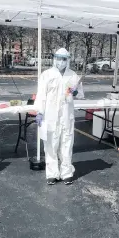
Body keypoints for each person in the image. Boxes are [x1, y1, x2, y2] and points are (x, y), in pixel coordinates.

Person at [35, 48, 83, 185]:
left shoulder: (73, 76)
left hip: (67, 117)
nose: (61, 62)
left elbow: (80, 94)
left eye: (64, 59)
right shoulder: (47, 75)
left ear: (68, 60)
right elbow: (41, 95)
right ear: (54, 59)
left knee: (66, 144)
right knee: (50, 145)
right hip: (50, 116)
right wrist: (40, 111)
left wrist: (75, 93)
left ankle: (66, 173)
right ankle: (52, 173)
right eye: (58, 58)